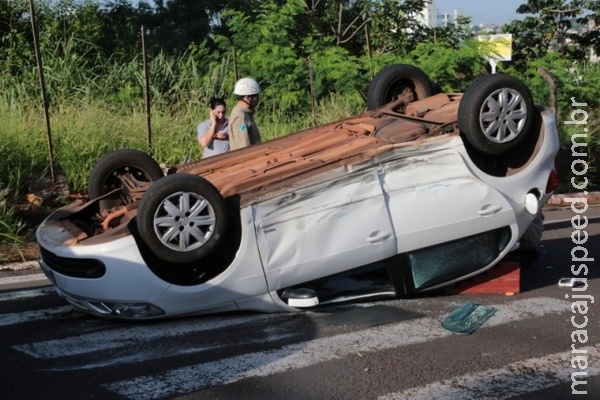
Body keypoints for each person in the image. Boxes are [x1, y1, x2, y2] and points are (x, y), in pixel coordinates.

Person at [228, 77, 262, 151]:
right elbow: (244, 147)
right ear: (248, 97)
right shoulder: (240, 117)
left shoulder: (245, 114)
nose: (258, 99)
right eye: (256, 96)